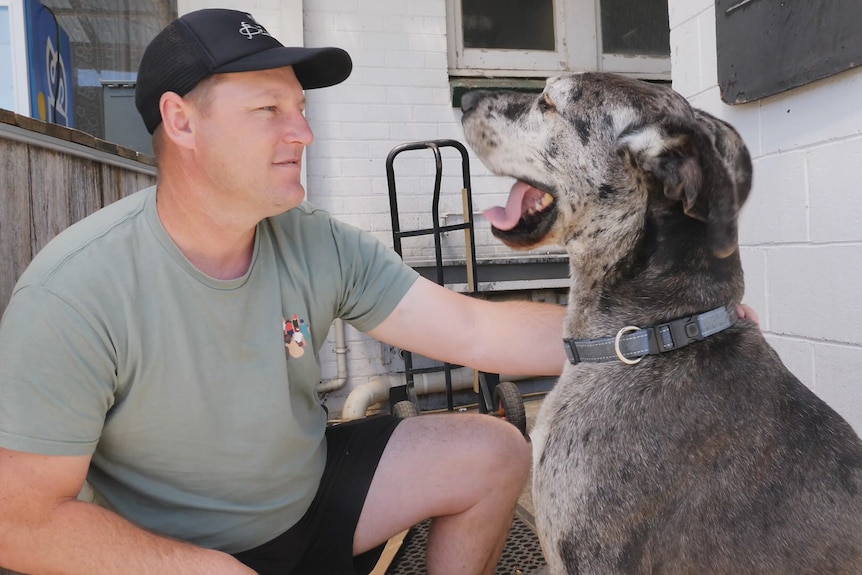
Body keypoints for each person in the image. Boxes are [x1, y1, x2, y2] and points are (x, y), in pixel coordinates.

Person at [0, 9, 757, 575]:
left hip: (309, 503)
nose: (303, 133)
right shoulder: (77, 290)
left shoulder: (313, 240)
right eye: (269, 110)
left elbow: (475, 332)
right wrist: (202, 569)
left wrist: (685, 328)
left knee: (492, 451)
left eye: (299, 109)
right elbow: (21, 523)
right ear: (181, 122)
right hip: (173, 556)